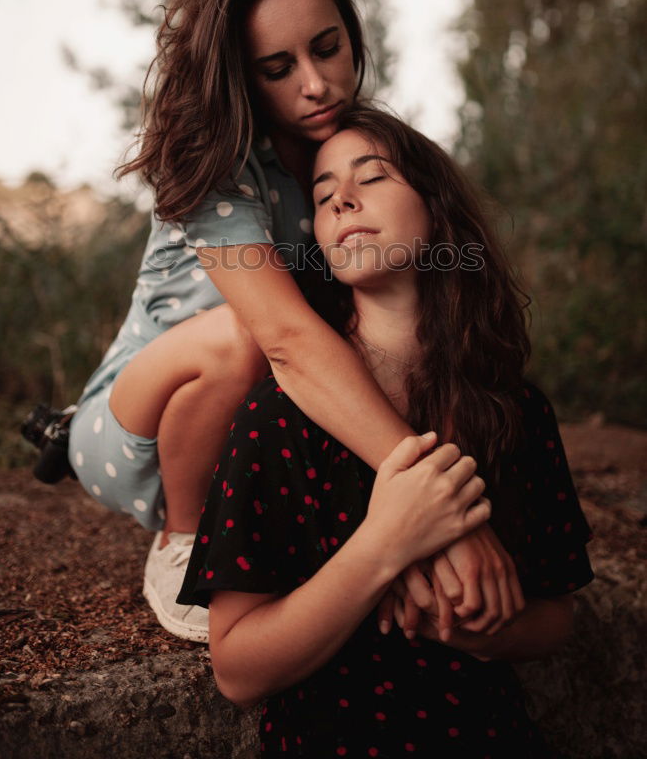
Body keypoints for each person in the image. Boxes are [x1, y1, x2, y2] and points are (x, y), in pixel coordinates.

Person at [68, 0, 522, 645]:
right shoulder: (217, 164)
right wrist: (436, 510)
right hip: (144, 425)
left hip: (258, 431)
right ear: (241, 75)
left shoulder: (342, 155)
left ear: (351, 31)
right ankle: (181, 542)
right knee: (260, 331)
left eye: (328, 48)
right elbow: (285, 338)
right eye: (277, 69)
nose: (316, 84)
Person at [178, 105, 594, 757]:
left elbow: (557, 615)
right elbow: (237, 671)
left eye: (371, 178)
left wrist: (488, 633)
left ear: (436, 210)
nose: (342, 199)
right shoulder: (275, 418)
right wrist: (382, 548)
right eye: (321, 195)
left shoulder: (515, 409)